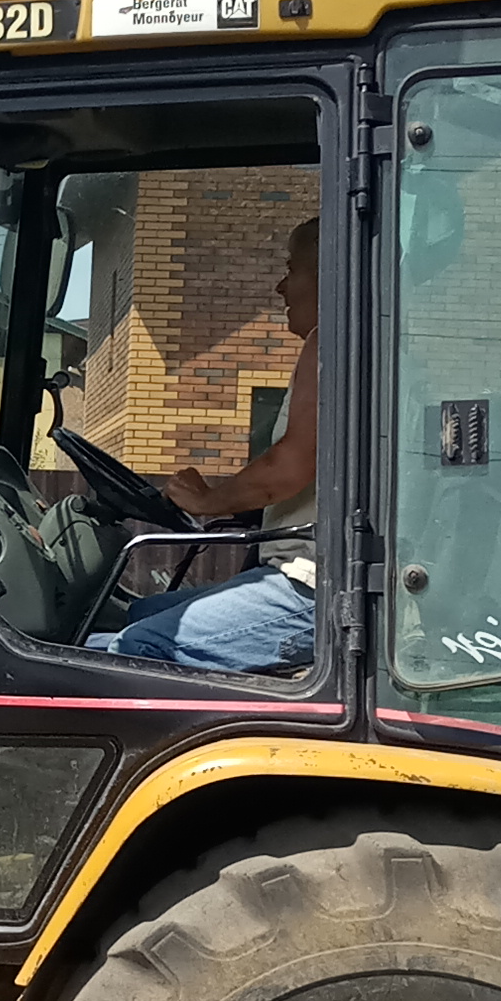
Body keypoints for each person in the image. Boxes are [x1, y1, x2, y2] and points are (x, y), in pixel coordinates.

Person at [86, 222, 322, 673]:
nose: (280, 286)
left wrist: (209, 499)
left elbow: (290, 466)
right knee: (137, 615)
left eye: (291, 269)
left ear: (328, 272)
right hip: (308, 578)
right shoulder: (355, 341)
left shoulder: (333, 340)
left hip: (315, 590)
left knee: (135, 650)